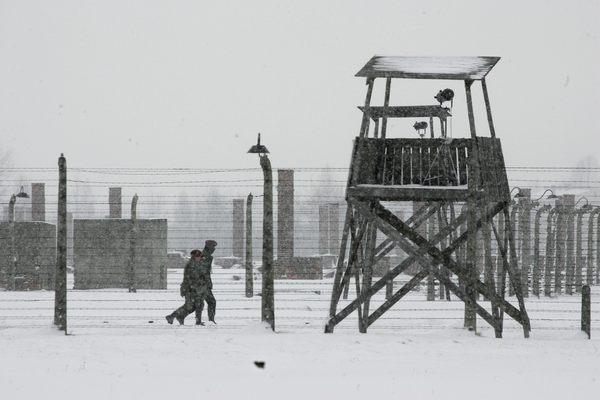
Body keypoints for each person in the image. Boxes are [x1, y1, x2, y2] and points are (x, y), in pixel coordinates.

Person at [165, 249, 210, 325]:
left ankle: (178, 316)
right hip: (191, 289)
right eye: (197, 256)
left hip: (197, 289)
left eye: (200, 256)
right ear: (193, 257)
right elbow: (191, 278)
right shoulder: (191, 265)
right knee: (191, 306)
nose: (199, 258)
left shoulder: (198, 263)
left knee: (195, 305)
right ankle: (174, 316)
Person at [197, 240, 217, 324]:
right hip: (202, 284)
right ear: (209, 247)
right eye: (213, 247)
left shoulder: (205, 255)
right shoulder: (206, 256)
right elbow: (203, 271)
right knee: (211, 302)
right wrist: (206, 283)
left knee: (200, 302)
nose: (214, 249)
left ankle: (200, 320)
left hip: (201, 283)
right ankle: (210, 320)